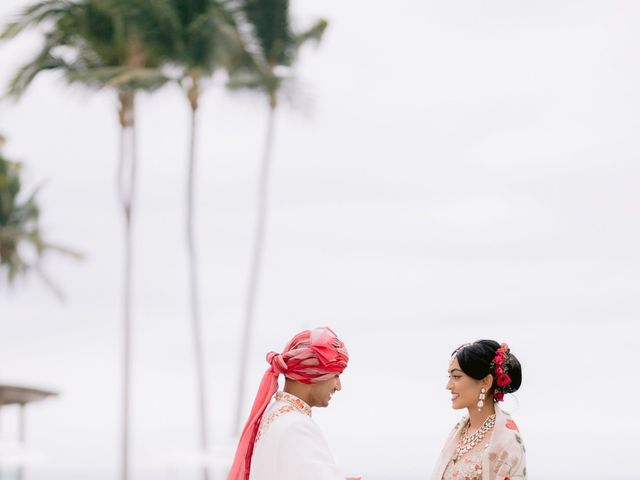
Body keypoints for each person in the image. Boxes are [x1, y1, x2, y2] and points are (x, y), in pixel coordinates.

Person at [228, 327, 361, 480]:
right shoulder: (296, 425)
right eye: (335, 375)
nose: (338, 386)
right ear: (312, 374)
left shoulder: (275, 414)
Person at [431, 340, 527, 480]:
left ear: (486, 382)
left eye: (456, 376)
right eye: (449, 377)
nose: (449, 385)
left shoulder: (506, 440)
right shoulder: (459, 432)